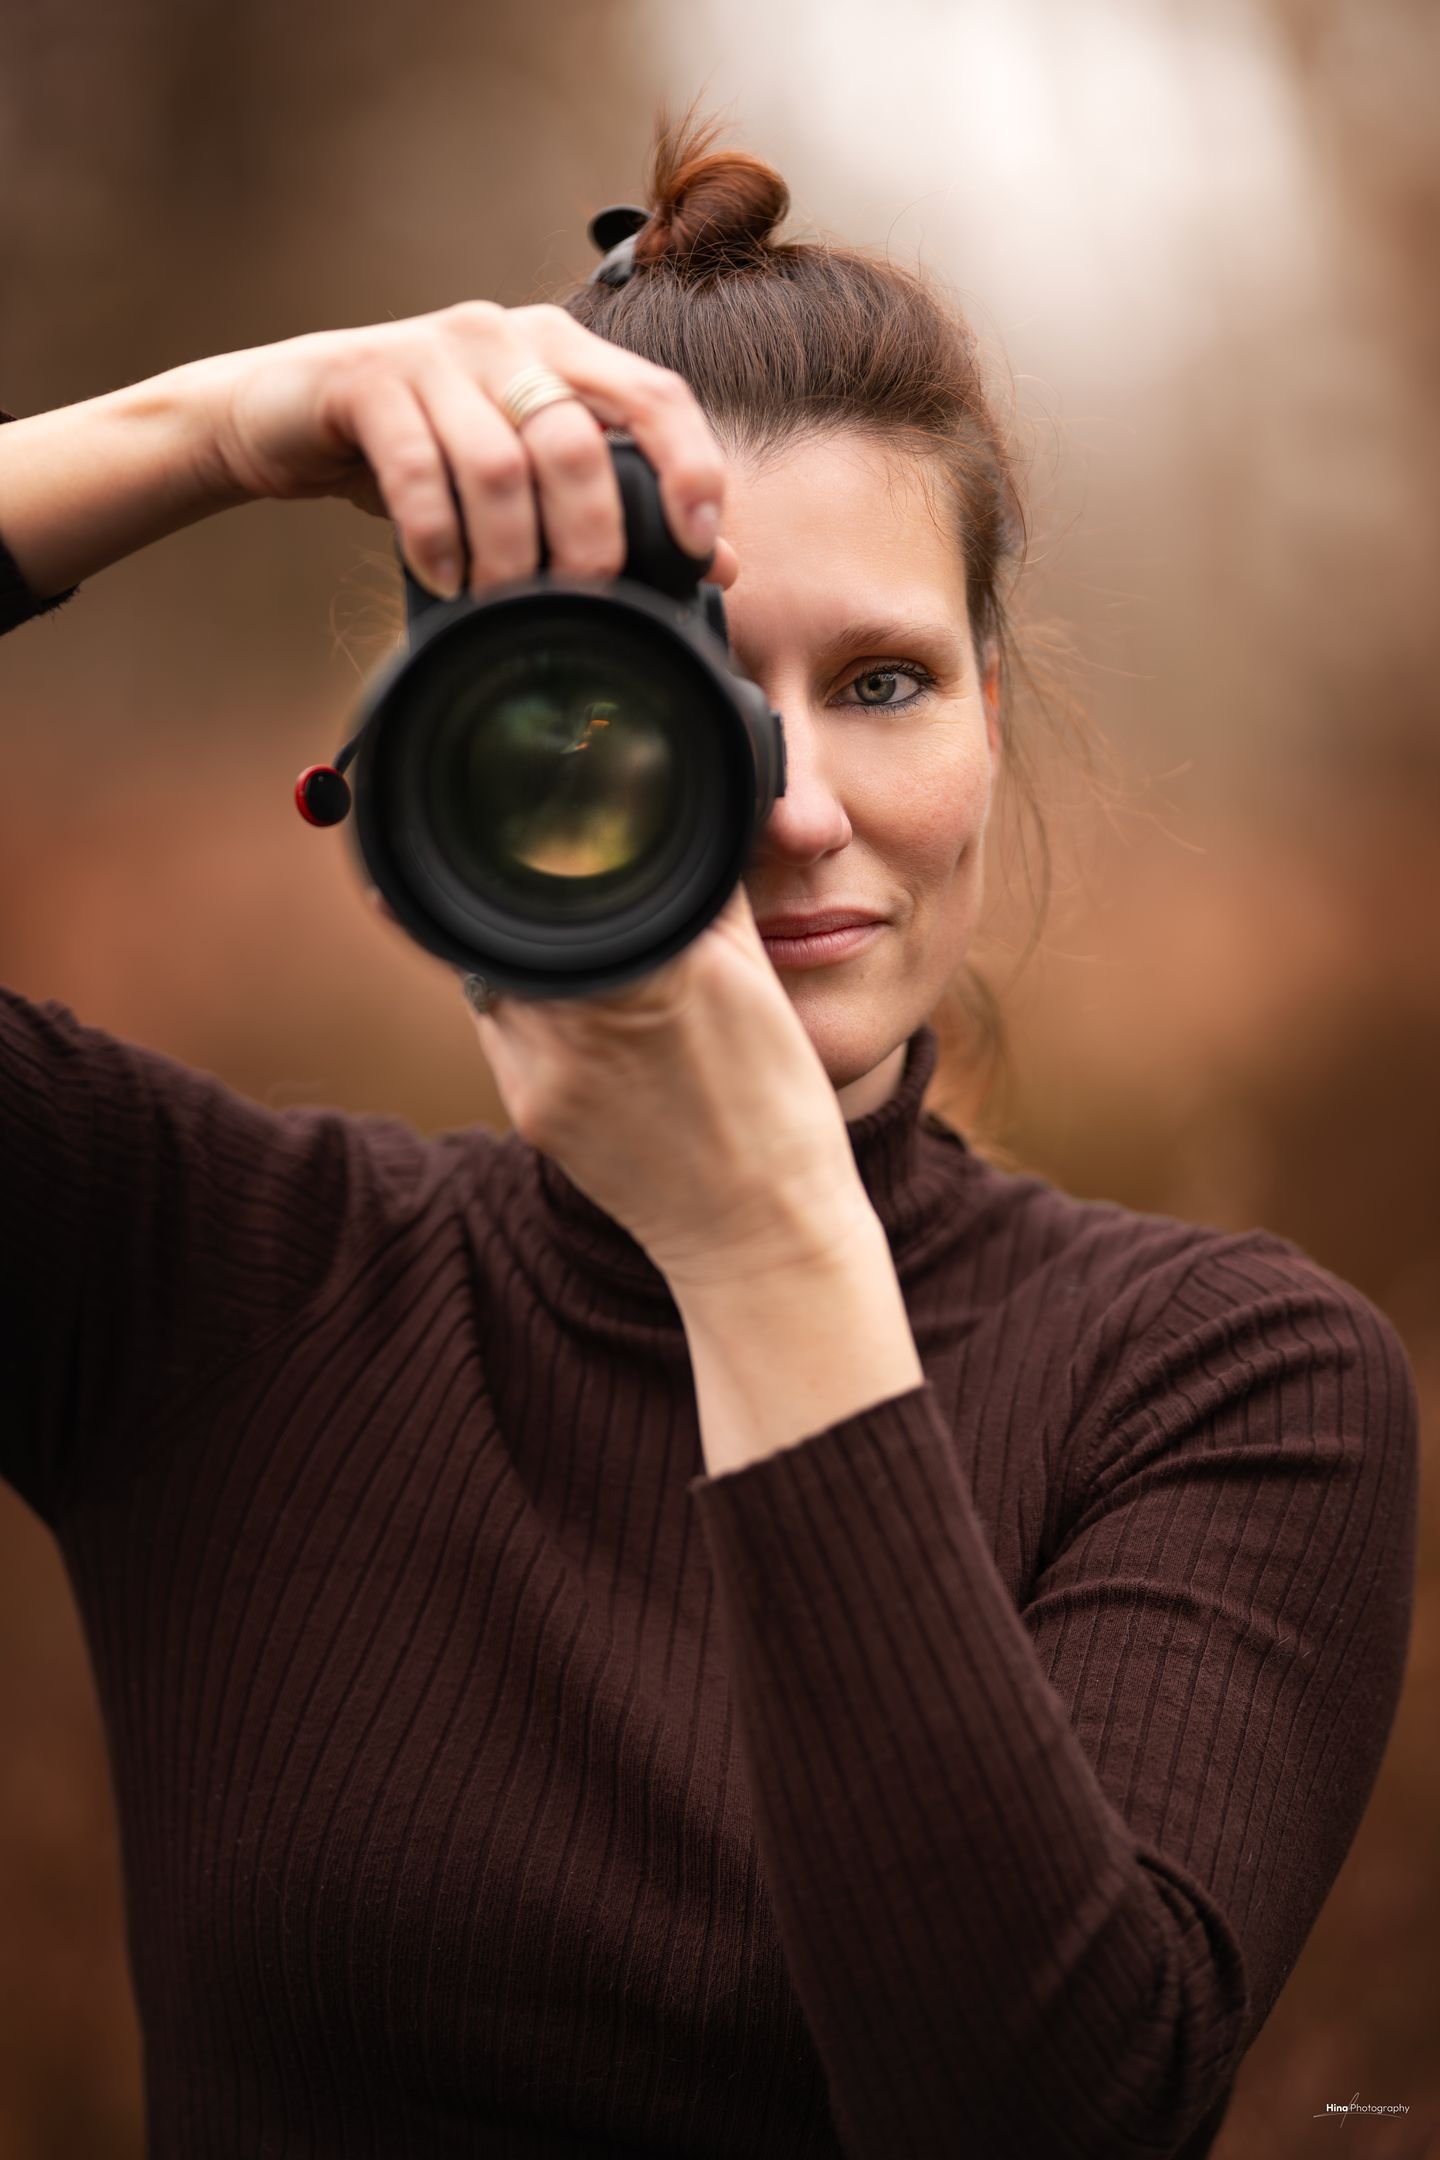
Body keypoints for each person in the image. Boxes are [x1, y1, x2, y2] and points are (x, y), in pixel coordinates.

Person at [0, 108, 1418, 2160]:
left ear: (990, 722)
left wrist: (763, 1244)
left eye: (882, 682)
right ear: (447, 755)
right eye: (673, 697)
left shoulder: (1222, 1386)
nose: (793, 807)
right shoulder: (210, 1275)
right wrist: (203, 428)